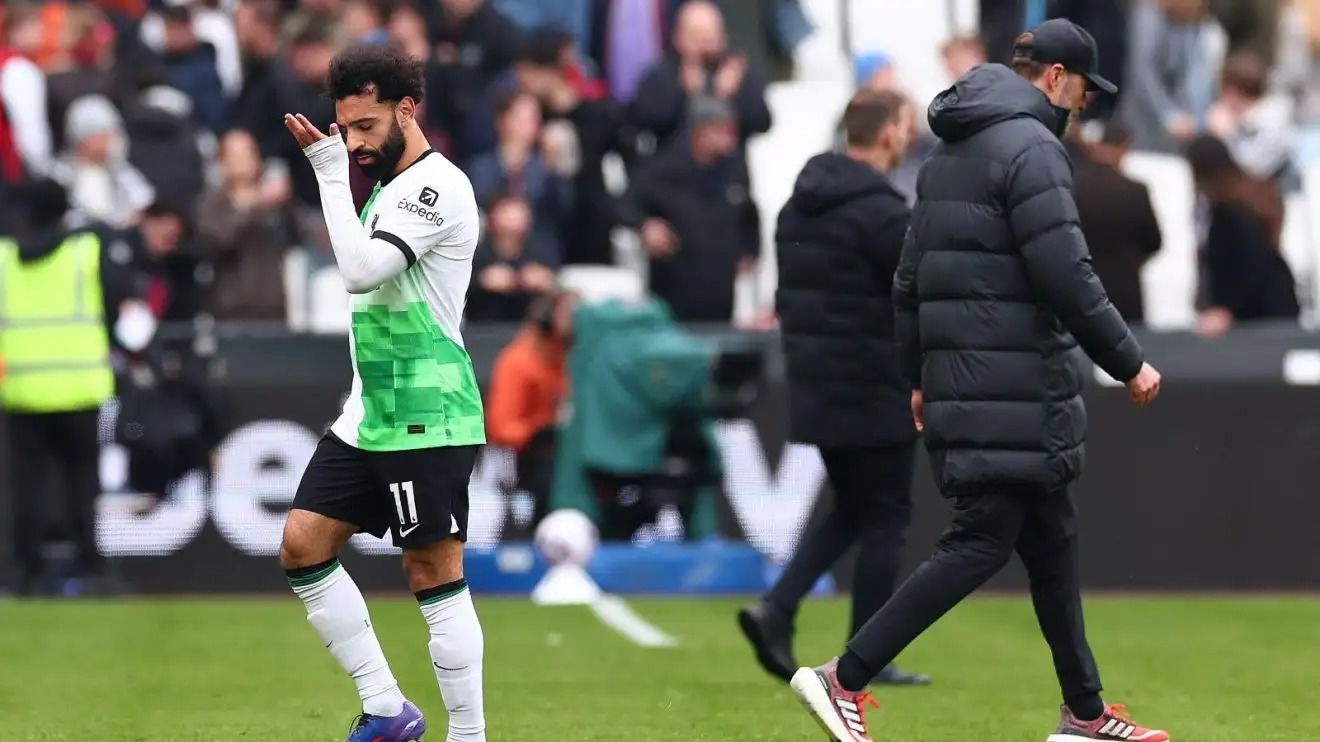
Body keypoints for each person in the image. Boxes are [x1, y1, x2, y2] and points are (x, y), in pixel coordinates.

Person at [789, 20, 1169, 742]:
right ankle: (844, 677)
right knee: (981, 541)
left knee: (1052, 538)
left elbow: (908, 282)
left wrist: (918, 375)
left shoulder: (945, 153)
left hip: (972, 382)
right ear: (1055, 77)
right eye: (1083, 91)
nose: (1081, 106)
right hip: (1013, 387)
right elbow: (1065, 271)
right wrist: (1129, 359)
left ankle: (1084, 714)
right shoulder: (1033, 148)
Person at [278, 44, 487, 742]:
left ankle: (469, 735)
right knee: (303, 543)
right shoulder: (384, 186)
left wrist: (329, 173)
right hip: (372, 410)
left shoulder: (438, 188)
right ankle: (387, 709)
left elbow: (363, 272)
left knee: (431, 569)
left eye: (366, 125)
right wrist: (341, 171)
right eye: (345, 128)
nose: (354, 141)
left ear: (406, 108)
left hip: (427, 413)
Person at [737, 89, 929, 688]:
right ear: (890, 133)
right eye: (906, 126)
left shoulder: (800, 205)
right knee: (886, 516)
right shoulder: (883, 212)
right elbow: (911, 297)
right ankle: (865, 657)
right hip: (874, 384)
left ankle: (778, 607)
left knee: (852, 509)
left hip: (817, 382)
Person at [0, 178, 137, 596]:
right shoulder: (86, 251)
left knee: (27, 488)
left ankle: (24, 572)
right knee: (81, 484)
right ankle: (89, 569)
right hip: (79, 386)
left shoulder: (4, 257)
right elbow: (117, 306)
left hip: (21, 389)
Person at [619, 95, 760, 322]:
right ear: (701, 132)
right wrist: (645, 226)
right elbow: (625, 204)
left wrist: (750, 250)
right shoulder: (662, 170)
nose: (730, 139)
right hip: (675, 289)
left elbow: (748, 212)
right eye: (723, 131)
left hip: (720, 290)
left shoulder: (734, 169)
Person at [1185, 134, 1299, 337]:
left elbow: (1248, 266)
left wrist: (1228, 310)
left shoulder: (1229, 211)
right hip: (1276, 303)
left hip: (1254, 313)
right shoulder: (1257, 194)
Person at [486, 289, 575, 533]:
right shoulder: (518, 361)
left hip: (567, 449)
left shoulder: (576, 358)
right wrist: (542, 428)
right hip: (524, 457)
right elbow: (502, 427)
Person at [1074, 120, 1163, 322]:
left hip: (1082, 290)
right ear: (1125, 146)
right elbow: (1154, 242)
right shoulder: (1135, 191)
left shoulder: (1073, 186)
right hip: (1125, 290)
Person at [466, 192, 559, 321]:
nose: (513, 220)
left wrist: (546, 281)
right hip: (483, 326)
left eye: (519, 214)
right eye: (506, 214)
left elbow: (556, 283)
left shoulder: (542, 249)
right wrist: (481, 280)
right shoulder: (476, 251)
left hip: (530, 327)